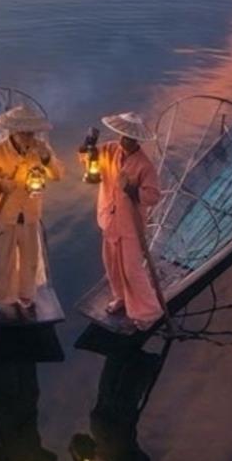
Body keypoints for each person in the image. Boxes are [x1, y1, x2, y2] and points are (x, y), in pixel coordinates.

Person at [0, 105, 64, 319]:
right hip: (3, 212)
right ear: (13, 132)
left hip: (30, 212)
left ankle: (26, 295)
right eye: (24, 133)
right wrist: (0, 184)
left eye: (31, 132)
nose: (29, 137)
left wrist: (46, 159)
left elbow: (58, 175)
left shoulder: (40, 148)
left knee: (29, 259)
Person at [80, 111, 163, 330]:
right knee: (112, 264)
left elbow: (153, 196)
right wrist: (87, 146)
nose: (124, 141)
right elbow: (87, 160)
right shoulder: (109, 150)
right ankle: (120, 298)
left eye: (129, 139)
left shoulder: (144, 166)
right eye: (122, 136)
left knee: (132, 269)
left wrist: (134, 190)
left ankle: (147, 311)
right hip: (109, 218)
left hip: (130, 225)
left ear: (136, 140)